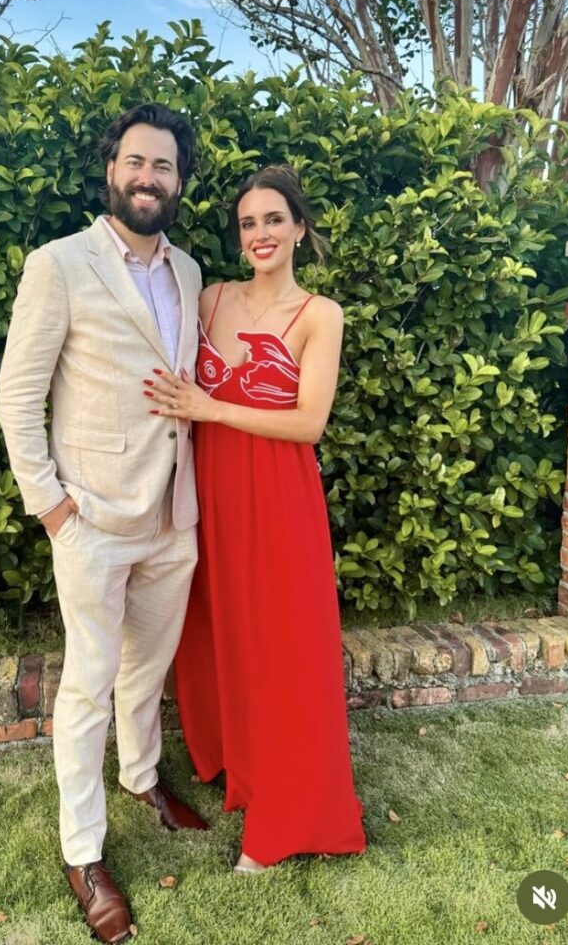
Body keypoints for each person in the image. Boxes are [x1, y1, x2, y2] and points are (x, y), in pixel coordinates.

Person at [0, 103, 209, 945]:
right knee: (87, 685)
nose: (148, 178)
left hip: (173, 513)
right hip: (91, 516)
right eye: (135, 163)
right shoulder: (60, 265)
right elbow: (19, 396)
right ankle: (83, 854)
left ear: (178, 183)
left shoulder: (190, 272)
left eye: (163, 167)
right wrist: (50, 505)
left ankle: (142, 777)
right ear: (111, 171)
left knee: (146, 668)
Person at [144, 164, 367, 872]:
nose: (261, 233)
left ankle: (288, 818)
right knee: (221, 637)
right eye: (248, 223)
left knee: (285, 652)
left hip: (278, 501)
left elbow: (308, 424)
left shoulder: (319, 315)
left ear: (300, 227)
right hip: (208, 498)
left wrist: (209, 407)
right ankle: (239, 769)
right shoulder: (208, 299)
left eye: (274, 219)